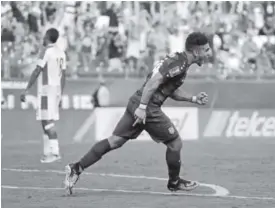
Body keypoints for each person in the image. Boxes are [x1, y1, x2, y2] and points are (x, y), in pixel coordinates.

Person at [64, 32, 212, 194]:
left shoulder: (179, 61)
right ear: (196, 52)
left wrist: (193, 98)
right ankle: (174, 182)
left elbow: (171, 90)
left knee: (115, 141)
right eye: (206, 50)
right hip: (148, 107)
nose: (209, 53)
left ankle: (76, 168)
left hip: (137, 101)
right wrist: (142, 108)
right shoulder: (179, 63)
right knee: (175, 143)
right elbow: (152, 83)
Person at [20, 28, 67, 163]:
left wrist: (26, 89)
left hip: (46, 91)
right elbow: (64, 75)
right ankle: (47, 152)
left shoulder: (45, 51)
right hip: (56, 90)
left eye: (44, 35)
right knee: (44, 120)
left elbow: (37, 71)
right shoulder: (61, 53)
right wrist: (61, 94)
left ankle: (55, 152)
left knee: (47, 121)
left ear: (47, 36)